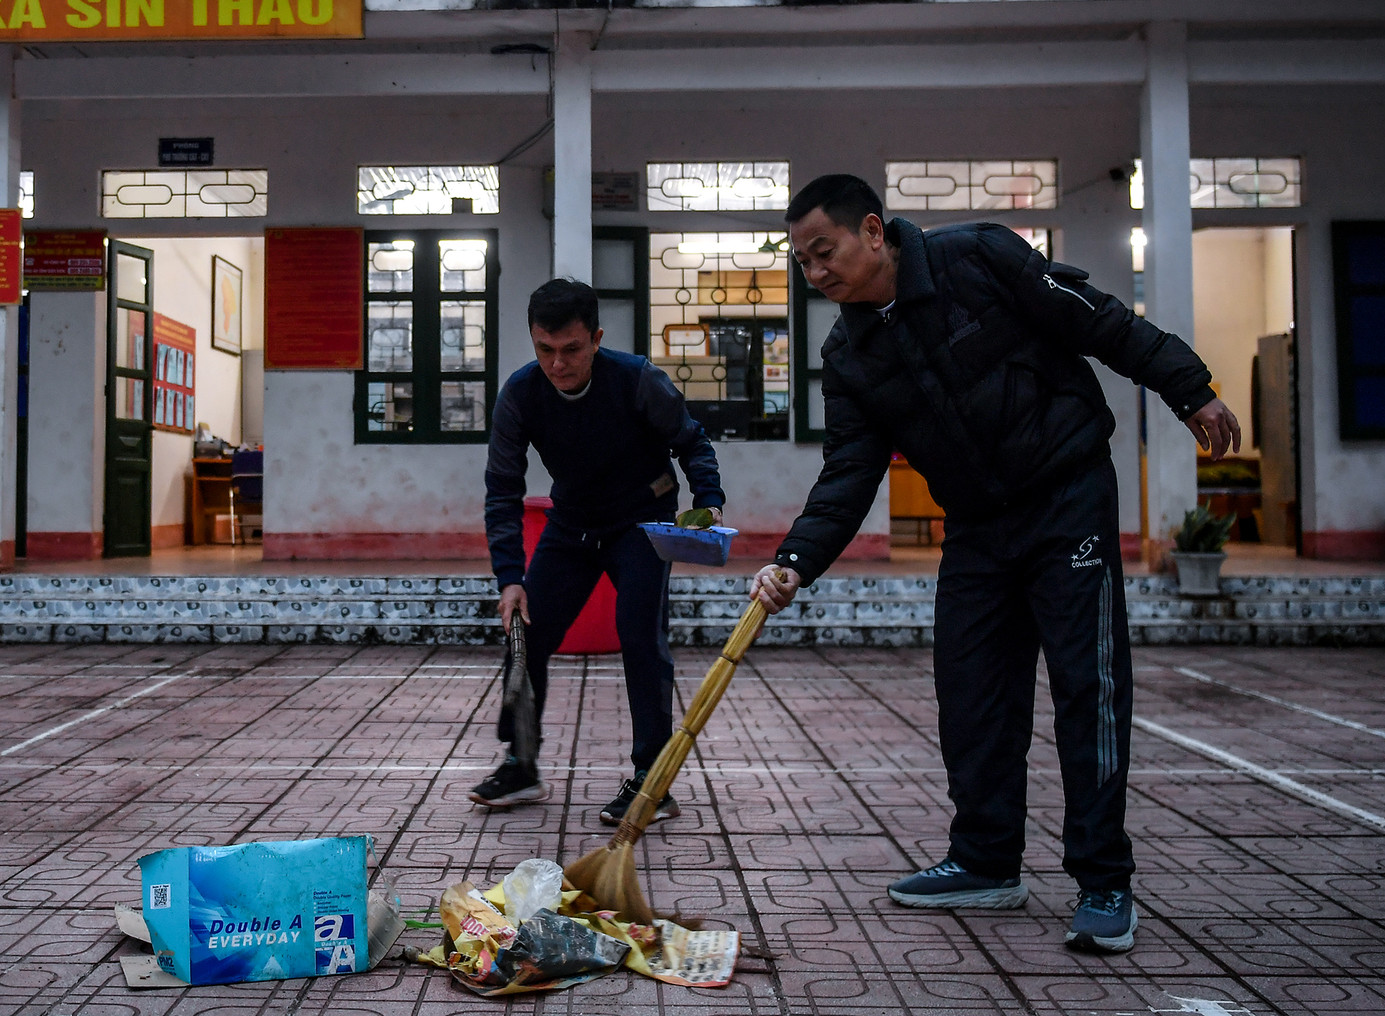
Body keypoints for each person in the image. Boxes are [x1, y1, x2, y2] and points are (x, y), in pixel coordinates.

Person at [747, 175, 1238, 956]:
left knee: (1087, 687)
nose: (815, 273)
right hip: (977, 527)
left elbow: (1099, 321)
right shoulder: (849, 354)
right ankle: (985, 861)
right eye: (802, 262)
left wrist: (1188, 388)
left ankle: (1104, 880)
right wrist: (795, 561)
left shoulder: (978, 257)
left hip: (1067, 496)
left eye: (823, 251)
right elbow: (849, 473)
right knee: (971, 691)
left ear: (872, 230)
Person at [472, 278, 727, 824]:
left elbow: (691, 441)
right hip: (572, 525)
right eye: (545, 349)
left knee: (640, 639)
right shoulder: (521, 393)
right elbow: (501, 489)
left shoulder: (637, 379)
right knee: (526, 632)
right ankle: (521, 764)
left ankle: (652, 781)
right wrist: (510, 577)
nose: (557, 364)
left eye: (571, 349)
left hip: (642, 523)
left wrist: (708, 500)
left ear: (596, 338)